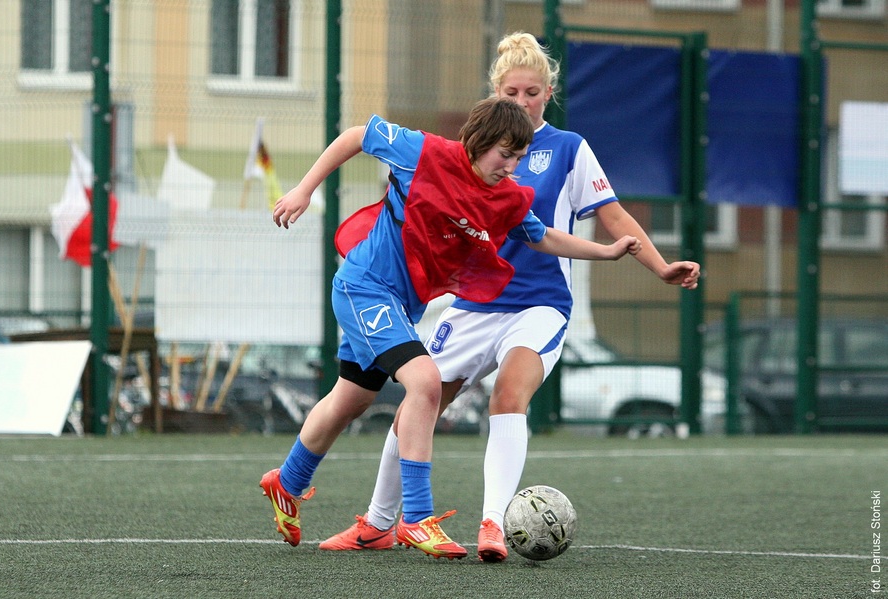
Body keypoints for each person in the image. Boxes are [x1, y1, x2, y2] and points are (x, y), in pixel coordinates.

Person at [319, 32, 701, 562]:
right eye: (512, 93)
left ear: (550, 93)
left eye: (533, 92)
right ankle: (379, 523)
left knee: (509, 396)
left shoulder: (569, 149)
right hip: (474, 304)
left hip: (540, 304)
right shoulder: (473, 149)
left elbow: (609, 216)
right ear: (495, 94)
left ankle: (494, 525)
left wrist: (659, 266)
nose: (522, 102)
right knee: (422, 400)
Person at [261, 96, 642, 560]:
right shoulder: (424, 152)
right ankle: (417, 519)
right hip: (364, 286)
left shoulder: (503, 196)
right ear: (479, 142)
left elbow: (541, 236)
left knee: (351, 399)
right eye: (505, 153)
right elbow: (356, 137)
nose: (512, 166)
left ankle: (288, 480)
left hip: (402, 304)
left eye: (520, 157)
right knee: (425, 382)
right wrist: (304, 189)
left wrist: (605, 251)